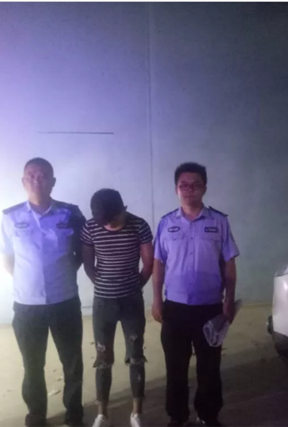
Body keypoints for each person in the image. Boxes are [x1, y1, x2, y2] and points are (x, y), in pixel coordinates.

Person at [152, 162, 240, 427]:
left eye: (195, 185)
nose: (189, 190)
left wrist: (229, 299)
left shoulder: (219, 222)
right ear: (176, 189)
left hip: (209, 308)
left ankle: (208, 415)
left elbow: (229, 263)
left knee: (209, 367)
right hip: (175, 307)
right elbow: (158, 264)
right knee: (175, 367)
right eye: (184, 185)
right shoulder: (166, 223)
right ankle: (177, 417)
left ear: (204, 188)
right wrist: (156, 300)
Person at [0, 158, 86, 427]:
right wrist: (31, 281)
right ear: (23, 182)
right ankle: (36, 416)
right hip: (27, 305)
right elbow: (7, 259)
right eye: (31, 176)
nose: (37, 180)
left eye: (43, 175)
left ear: (53, 181)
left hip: (65, 301)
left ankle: (74, 416)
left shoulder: (71, 214)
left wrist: (61, 275)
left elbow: (82, 252)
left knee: (72, 362)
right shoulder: (10, 217)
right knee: (32, 364)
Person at [81, 189, 154, 427]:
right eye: (104, 222)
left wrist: (133, 286)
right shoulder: (90, 227)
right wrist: (104, 285)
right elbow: (88, 265)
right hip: (103, 304)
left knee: (136, 356)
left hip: (132, 302)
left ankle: (137, 413)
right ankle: (102, 414)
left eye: (112, 221)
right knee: (103, 357)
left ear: (123, 209)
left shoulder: (139, 226)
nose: (108, 226)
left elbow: (148, 264)